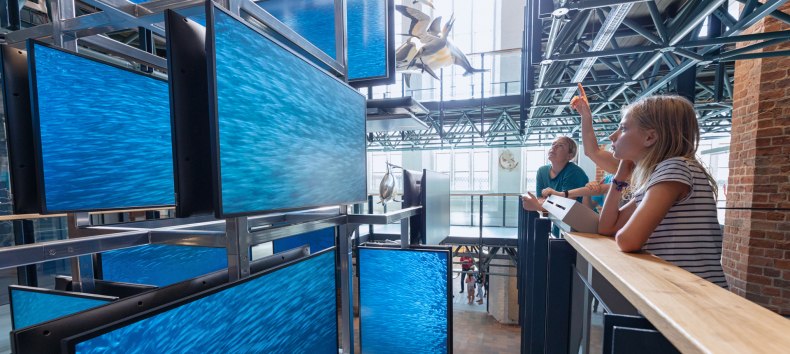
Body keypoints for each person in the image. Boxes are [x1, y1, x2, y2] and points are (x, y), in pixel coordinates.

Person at [593, 95, 727, 287]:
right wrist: (620, 177)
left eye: (623, 128)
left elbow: (627, 240)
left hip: (696, 294)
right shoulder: (661, 174)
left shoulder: (674, 168)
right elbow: (607, 227)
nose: (612, 136)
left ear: (650, 137)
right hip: (679, 289)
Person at [521, 136, 589, 234]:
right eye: (553, 144)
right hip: (560, 226)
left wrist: (538, 206)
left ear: (570, 156)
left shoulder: (574, 172)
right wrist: (541, 204)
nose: (554, 147)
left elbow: (566, 207)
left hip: (581, 228)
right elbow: (541, 199)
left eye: (560, 145)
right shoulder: (542, 171)